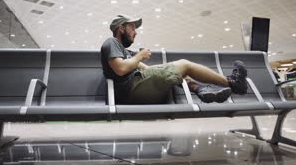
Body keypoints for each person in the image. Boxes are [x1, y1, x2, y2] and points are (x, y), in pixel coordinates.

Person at [100, 14, 248, 104]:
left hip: (138, 88)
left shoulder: (127, 53)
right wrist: (140, 56)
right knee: (185, 64)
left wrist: (169, 69)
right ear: (121, 28)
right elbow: (120, 69)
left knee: (177, 71)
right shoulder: (111, 43)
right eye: (132, 28)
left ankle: (199, 88)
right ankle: (233, 83)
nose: (135, 33)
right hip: (132, 90)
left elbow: (148, 70)